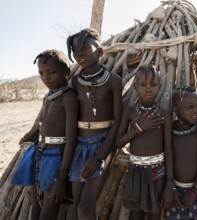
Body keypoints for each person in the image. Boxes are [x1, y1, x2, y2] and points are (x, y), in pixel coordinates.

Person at [11, 49, 78, 220]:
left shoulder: (68, 99)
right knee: (36, 205)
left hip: (55, 160)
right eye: (41, 73)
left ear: (66, 72)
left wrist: (62, 177)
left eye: (51, 72)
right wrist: (29, 135)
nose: (45, 77)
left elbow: (71, 139)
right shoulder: (48, 97)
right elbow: (40, 122)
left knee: (48, 212)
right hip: (38, 155)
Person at [66, 28, 123, 220]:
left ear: (100, 52)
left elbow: (117, 122)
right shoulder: (75, 83)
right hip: (80, 145)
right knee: (77, 204)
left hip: (103, 144)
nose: (79, 53)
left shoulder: (114, 82)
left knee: (85, 207)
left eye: (84, 48)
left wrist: (99, 157)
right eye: (74, 50)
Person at [116, 65, 173, 220]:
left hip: (158, 171)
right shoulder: (130, 112)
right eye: (143, 85)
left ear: (159, 87)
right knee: (135, 214)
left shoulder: (164, 114)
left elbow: (168, 150)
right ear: (135, 87)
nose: (148, 89)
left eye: (153, 85)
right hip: (135, 170)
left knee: (155, 212)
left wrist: (169, 183)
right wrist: (139, 128)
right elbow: (118, 142)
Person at [165, 87, 197, 220]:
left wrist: (194, 191)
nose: (196, 110)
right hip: (175, 190)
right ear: (175, 110)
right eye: (190, 107)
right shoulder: (170, 133)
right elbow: (167, 158)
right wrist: (171, 188)